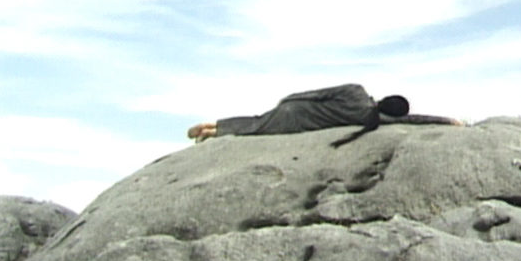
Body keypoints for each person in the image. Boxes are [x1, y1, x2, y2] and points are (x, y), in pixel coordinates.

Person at [187, 83, 463, 148]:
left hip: (295, 108)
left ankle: (213, 126)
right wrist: (449, 122)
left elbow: (320, 93)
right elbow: (414, 121)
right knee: (258, 130)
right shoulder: (371, 120)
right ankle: (211, 134)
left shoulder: (356, 91)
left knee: (257, 120)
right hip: (299, 124)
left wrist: (290, 98)